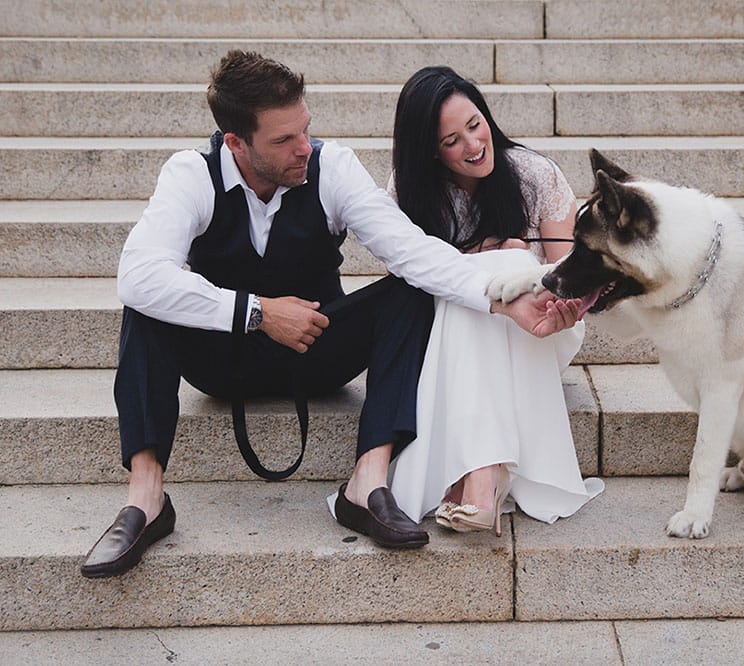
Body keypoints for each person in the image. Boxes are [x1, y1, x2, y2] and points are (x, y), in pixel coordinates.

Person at [80, 51, 580, 578]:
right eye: (283, 141)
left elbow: (413, 251)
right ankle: (146, 499)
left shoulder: (331, 166)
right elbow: (136, 275)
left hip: (318, 349)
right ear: (236, 143)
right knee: (145, 302)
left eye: (305, 129)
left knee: (408, 288)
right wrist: (256, 312)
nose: (304, 148)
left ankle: (367, 483)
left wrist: (506, 300)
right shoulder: (192, 175)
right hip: (221, 362)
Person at [382, 66, 604, 535]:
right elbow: (410, 285)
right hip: (451, 335)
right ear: (429, 151)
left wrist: (516, 265)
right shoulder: (408, 191)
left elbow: (573, 273)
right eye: (451, 141)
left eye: (475, 124)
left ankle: (475, 479)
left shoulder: (533, 174)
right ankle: (486, 478)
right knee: (484, 274)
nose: (473, 145)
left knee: (508, 262)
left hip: (546, 323)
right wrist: (480, 259)